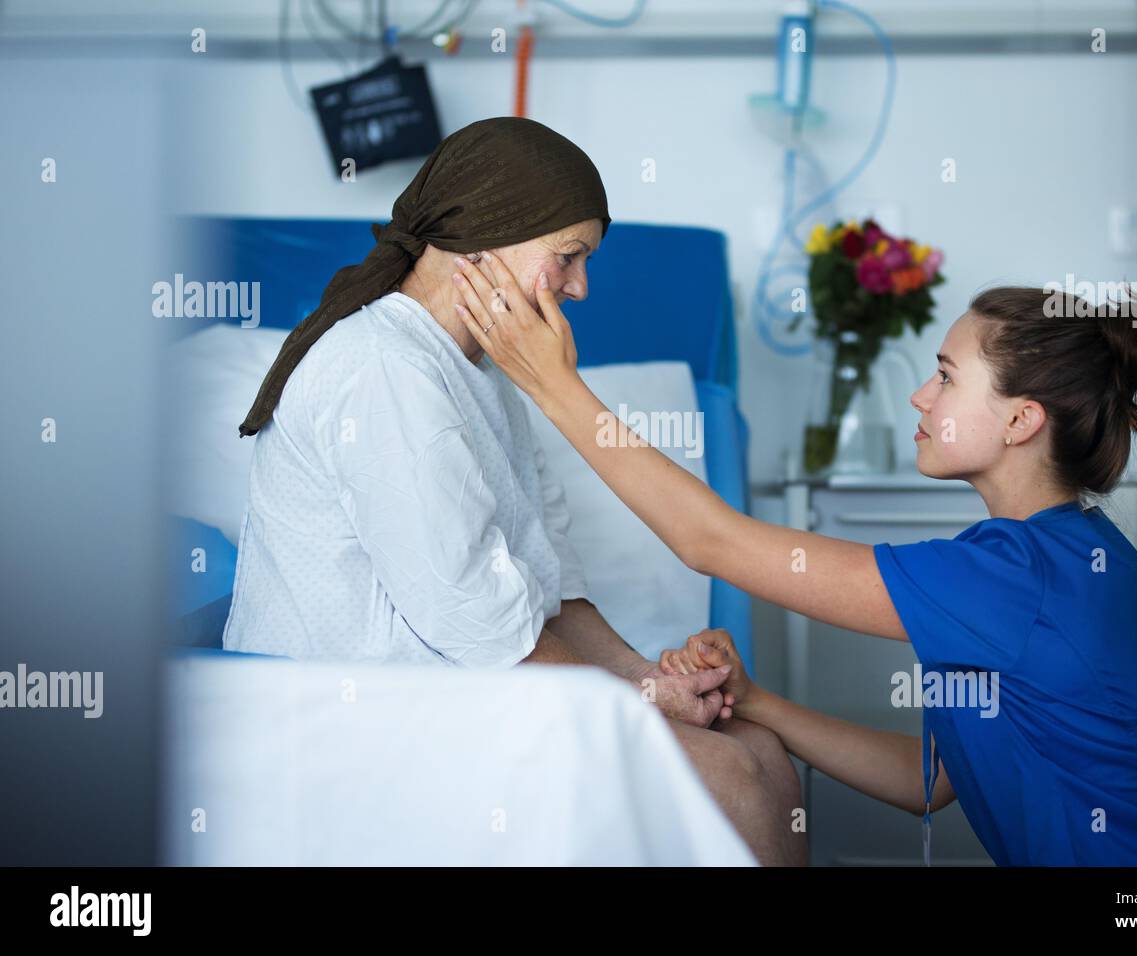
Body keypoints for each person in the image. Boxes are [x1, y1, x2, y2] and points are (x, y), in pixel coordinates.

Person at [453, 258, 1137, 867]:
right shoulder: (1066, 555)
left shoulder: (1015, 574)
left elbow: (711, 542)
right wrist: (758, 702)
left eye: (945, 377)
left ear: (1019, 419)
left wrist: (553, 385)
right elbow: (929, 780)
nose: (920, 397)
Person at [223, 116, 806, 866]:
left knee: (759, 749)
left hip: (464, 695)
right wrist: (640, 710)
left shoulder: (485, 376)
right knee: (732, 779)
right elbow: (478, 625)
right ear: (485, 236)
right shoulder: (383, 371)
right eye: (568, 257)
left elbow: (551, 586)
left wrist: (647, 678)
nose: (581, 287)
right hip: (368, 725)